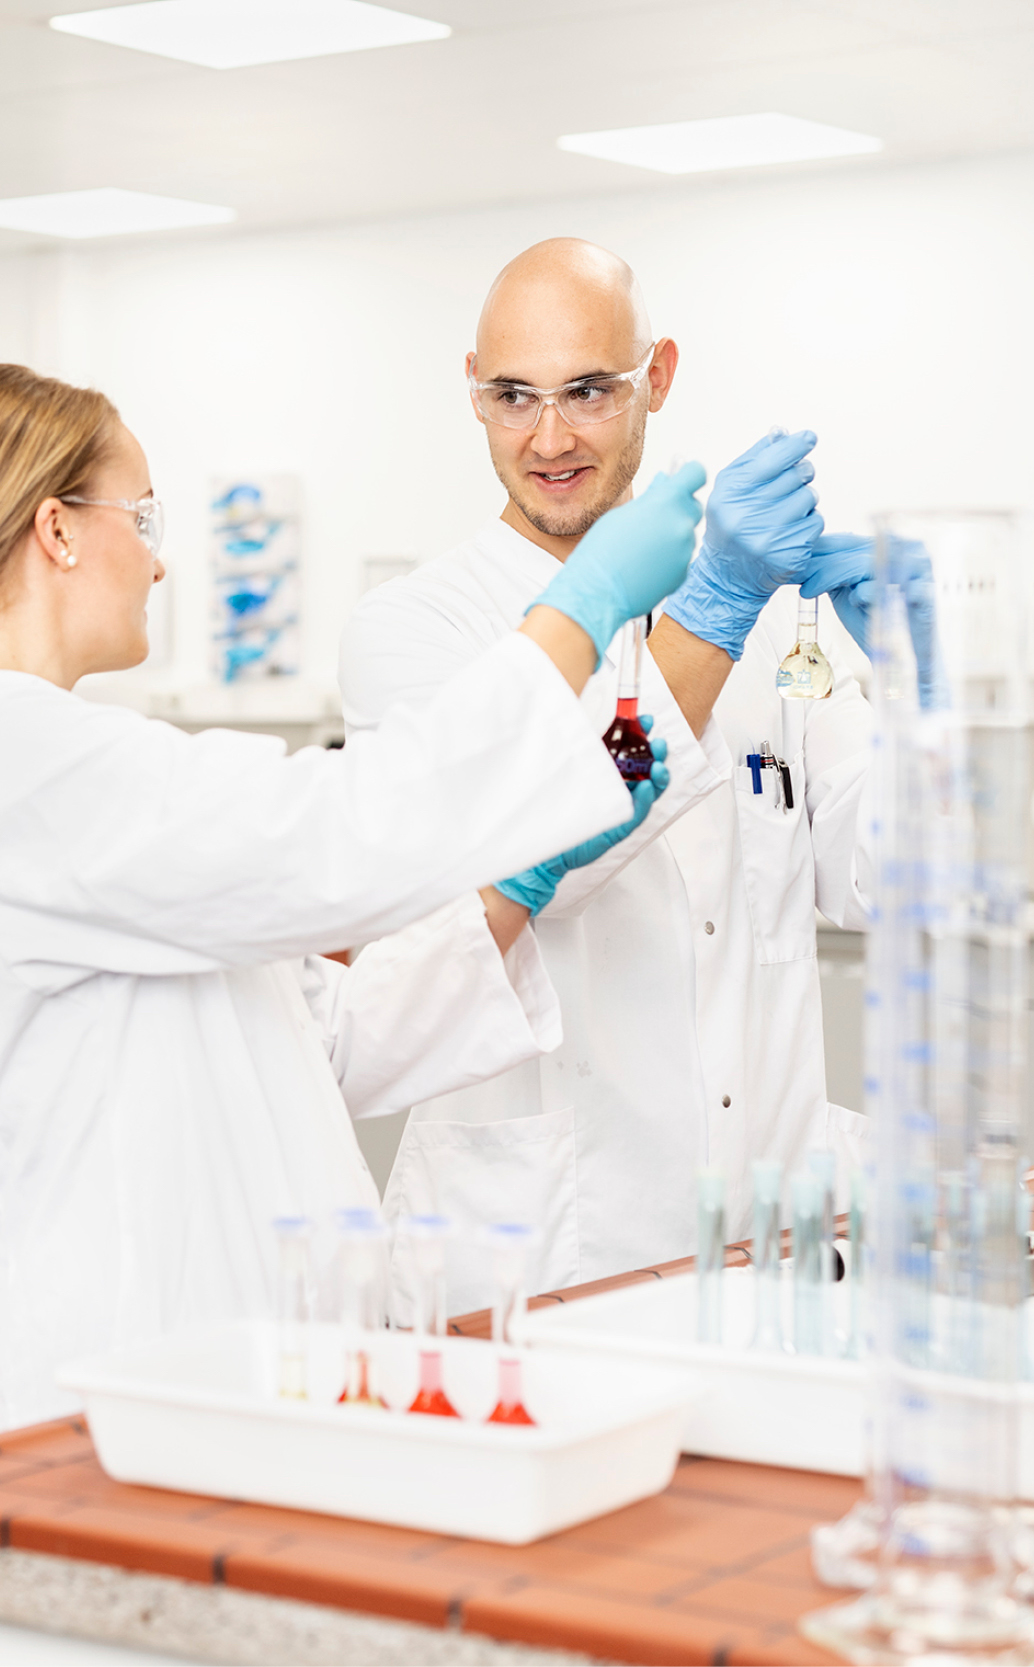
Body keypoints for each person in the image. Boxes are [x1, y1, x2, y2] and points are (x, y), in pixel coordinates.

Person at [0, 363, 707, 1432]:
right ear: (57, 529)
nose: (159, 561)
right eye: (142, 516)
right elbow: (334, 830)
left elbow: (328, 1034)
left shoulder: (71, 758)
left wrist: (516, 887)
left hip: (255, 1362)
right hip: (136, 1372)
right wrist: (571, 618)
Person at [339, 238, 884, 1310]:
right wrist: (712, 613)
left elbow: (876, 882)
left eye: (589, 390)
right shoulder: (416, 631)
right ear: (473, 392)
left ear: (658, 377)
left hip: (772, 1235)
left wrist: (930, 698)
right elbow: (535, 842)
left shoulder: (773, 618)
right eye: (512, 396)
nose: (549, 437)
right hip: (543, 1248)